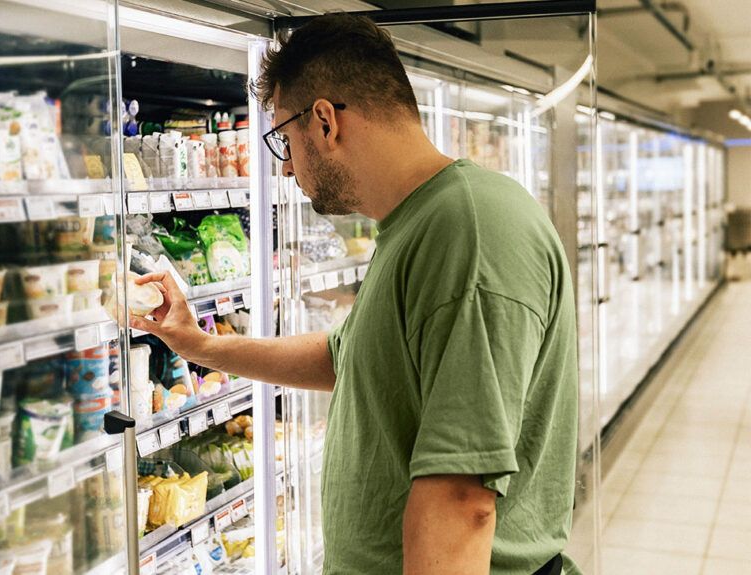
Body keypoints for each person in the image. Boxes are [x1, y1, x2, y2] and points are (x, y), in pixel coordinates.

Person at [129, 12, 578, 575]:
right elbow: (348, 358)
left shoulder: (466, 230)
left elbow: (462, 501)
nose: (287, 167)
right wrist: (200, 346)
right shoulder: (418, 223)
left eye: (283, 141)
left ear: (324, 121)